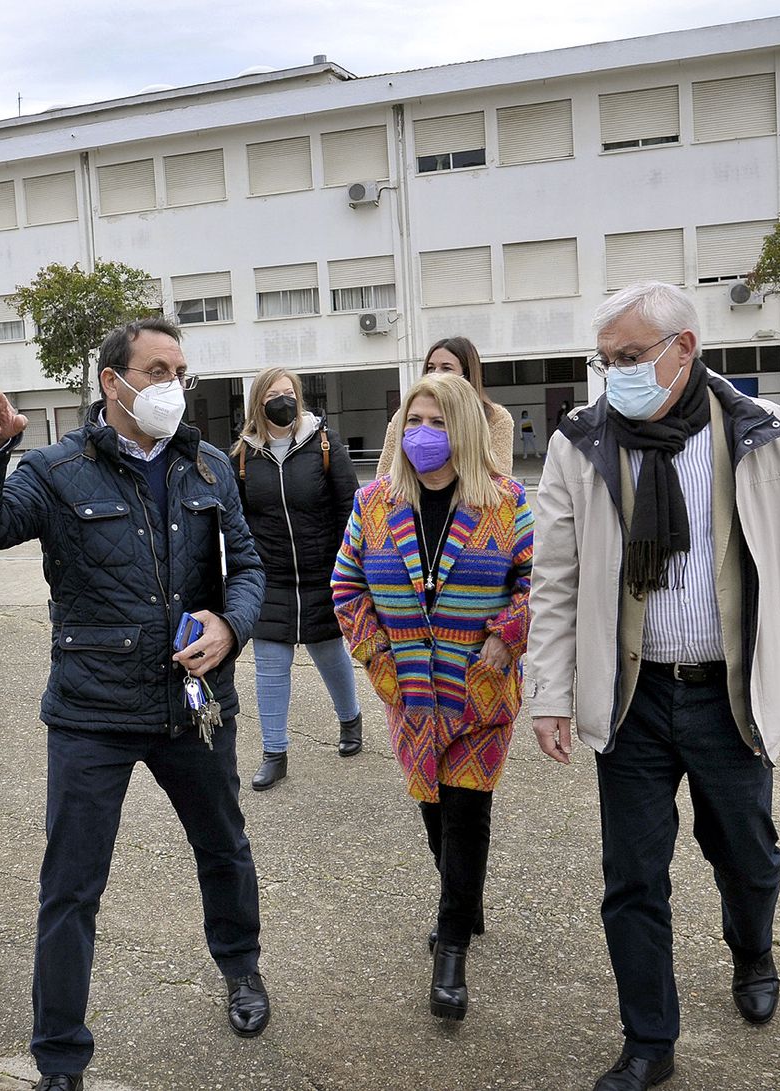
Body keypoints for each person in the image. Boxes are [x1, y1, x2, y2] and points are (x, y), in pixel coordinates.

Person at [524, 282, 780, 1091]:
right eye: (603, 360)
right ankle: (650, 1040)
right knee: (633, 877)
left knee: (747, 857)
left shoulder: (766, 434)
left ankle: (751, 945)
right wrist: (550, 692)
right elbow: (556, 580)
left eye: (629, 356)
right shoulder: (582, 443)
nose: (613, 375)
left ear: (684, 349)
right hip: (634, 698)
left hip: (730, 694)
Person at [0, 317, 270, 1091]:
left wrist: (231, 624)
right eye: (156, 370)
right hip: (92, 710)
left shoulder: (209, 466)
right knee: (70, 886)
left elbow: (250, 566)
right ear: (112, 382)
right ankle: (59, 1057)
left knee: (223, 846)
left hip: (192, 703)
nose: (172, 386)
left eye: (181, 371)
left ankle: (242, 969)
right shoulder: (57, 470)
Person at [332, 372, 533, 1024]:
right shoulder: (373, 504)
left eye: (438, 421)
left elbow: (536, 586)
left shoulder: (506, 502)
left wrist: (507, 636)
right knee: (434, 813)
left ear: (464, 428)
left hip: (480, 694)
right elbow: (346, 587)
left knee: (466, 813)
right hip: (412, 695)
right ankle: (464, 897)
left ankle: (450, 949)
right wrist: (378, 659)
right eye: (414, 420)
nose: (424, 433)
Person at [231, 367, 364, 790]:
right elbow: (236, 519)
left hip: (323, 571)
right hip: (269, 576)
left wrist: (349, 565)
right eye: (274, 394)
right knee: (271, 665)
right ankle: (274, 752)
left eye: (289, 393)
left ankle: (350, 719)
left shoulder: (324, 443)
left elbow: (350, 505)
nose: (283, 401)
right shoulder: (242, 455)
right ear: (258, 401)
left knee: (329, 652)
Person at [374, 337, 514, 475]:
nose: (436, 374)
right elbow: (385, 473)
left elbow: (501, 478)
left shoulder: (495, 418)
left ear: (467, 376)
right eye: (430, 368)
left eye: (446, 368)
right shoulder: (403, 416)